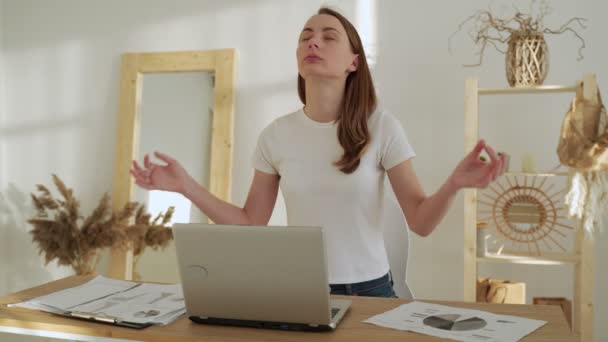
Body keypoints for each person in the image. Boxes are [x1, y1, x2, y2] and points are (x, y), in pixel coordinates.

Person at [130, 7, 507, 298]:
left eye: (329, 37)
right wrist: (186, 187)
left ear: (353, 62)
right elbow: (250, 222)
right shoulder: (276, 136)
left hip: (371, 292)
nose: (313, 42)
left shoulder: (382, 127)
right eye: (306, 36)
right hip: (304, 291)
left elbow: (421, 222)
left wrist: (455, 183)